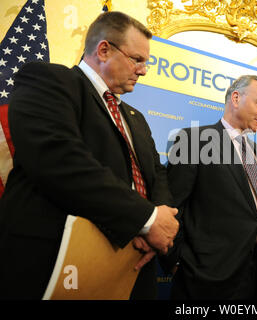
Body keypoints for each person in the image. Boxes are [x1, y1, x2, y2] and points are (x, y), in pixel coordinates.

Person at [0, 11, 179, 299]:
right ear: (104, 50)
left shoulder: (136, 118)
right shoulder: (49, 80)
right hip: (58, 264)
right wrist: (145, 219)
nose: (143, 70)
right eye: (137, 60)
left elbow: (156, 176)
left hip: (133, 267)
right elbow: (59, 160)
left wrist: (159, 223)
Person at [165, 75, 257, 299]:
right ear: (236, 98)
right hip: (205, 281)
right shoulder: (193, 141)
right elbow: (173, 205)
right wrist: (176, 263)